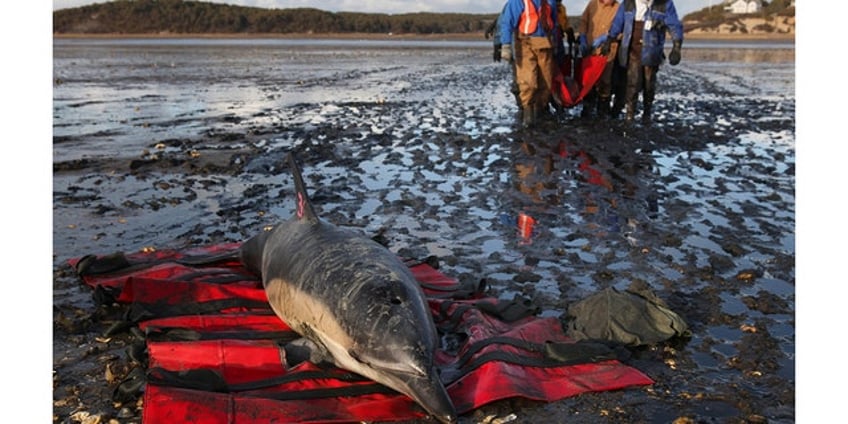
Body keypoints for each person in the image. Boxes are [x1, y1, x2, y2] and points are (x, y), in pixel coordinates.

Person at [601, 0, 683, 123]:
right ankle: (630, 115)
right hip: (631, 49)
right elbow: (617, 23)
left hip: (652, 50)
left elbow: (674, 25)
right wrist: (609, 40)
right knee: (632, 83)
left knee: (649, 84)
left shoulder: (664, 3)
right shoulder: (627, 4)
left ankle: (647, 112)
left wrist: (676, 47)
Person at [498, 0, 559, 129]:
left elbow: (554, 22)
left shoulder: (551, 1)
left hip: (545, 44)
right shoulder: (518, 2)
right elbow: (507, 22)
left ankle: (540, 113)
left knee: (546, 83)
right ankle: (528, 115)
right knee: (528, 81)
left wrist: (557, 43)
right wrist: (506, 45)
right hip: (525, 44)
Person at [577, 0, 623, 118]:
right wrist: (582, 37)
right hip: (589, 48)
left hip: (607, 50)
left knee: (605, 80)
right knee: (588, 79)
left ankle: (603, 107)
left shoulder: (619, 8)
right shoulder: (593, 4)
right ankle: (588, 106)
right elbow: (583, 22)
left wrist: (606, 38)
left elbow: (622, 30)